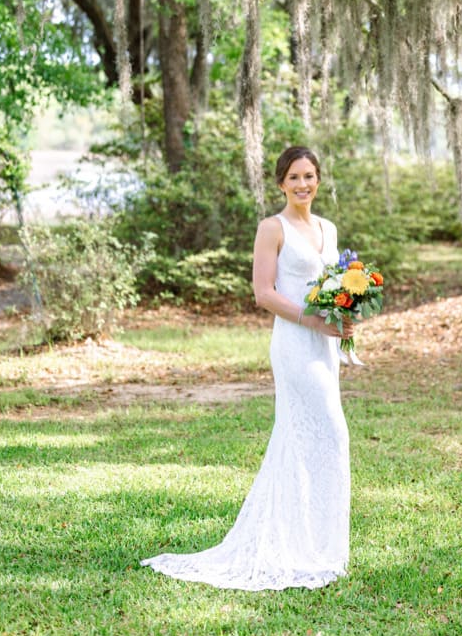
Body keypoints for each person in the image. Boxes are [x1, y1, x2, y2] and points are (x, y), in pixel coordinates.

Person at [142, 145, 353, 590]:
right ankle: (296, 547)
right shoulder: (271, 228)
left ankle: (319, 545)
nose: (302, 184)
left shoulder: (328, 229)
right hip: (295, 341)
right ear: (281, 183)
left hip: (325, 345)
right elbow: (263, 292)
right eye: (294, 177)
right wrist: (310, 318)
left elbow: (334, 284)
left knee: (315, 437)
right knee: (326, 432)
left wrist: (343, 314)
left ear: (318, 180)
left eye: (309, 176)